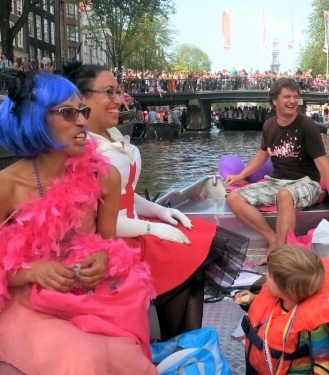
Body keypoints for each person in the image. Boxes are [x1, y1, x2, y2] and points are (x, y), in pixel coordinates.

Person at [0, 72, 158, 374]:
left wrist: (102, 256)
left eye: (83, 111)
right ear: (36, 118)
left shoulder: (105, 177)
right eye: (68, 113)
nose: (83, 122)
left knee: (132, 365)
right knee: (80, 361)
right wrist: (33, 270)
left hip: (90, 296)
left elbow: (108, 241)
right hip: (29, 304)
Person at [63, 61, 237, 341]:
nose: (119, 100)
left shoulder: (113, 137)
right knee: (182, 263)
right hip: (113, 240)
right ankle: (172, 345)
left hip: (132, 225)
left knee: (196, 257)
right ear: (81, 99)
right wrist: (153, 228)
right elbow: (99, 223)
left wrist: (158, 210)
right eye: (109, 92)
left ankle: (188, 350)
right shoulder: (82, 150)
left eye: (118, 92)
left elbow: (126, 194)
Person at [226, 77, 329, 265]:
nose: (292, 101)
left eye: (295, 97)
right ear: (275, 100)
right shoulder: (269, 125)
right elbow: (262, 155)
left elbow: (323, 164)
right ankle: (272, 239)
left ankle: (281, 254)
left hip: (307, 182)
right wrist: (240, 176)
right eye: (287, 96)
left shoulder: (307, 126)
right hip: (277, 182)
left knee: (284, 195)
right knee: (233, 198)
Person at [235, 245, 329, 375]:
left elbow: (325, 362)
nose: (266, 275)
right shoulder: (276, 298)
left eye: (270, 275)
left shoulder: (312, 326)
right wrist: (252, 299)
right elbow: (266, 311)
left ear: (287, 291)